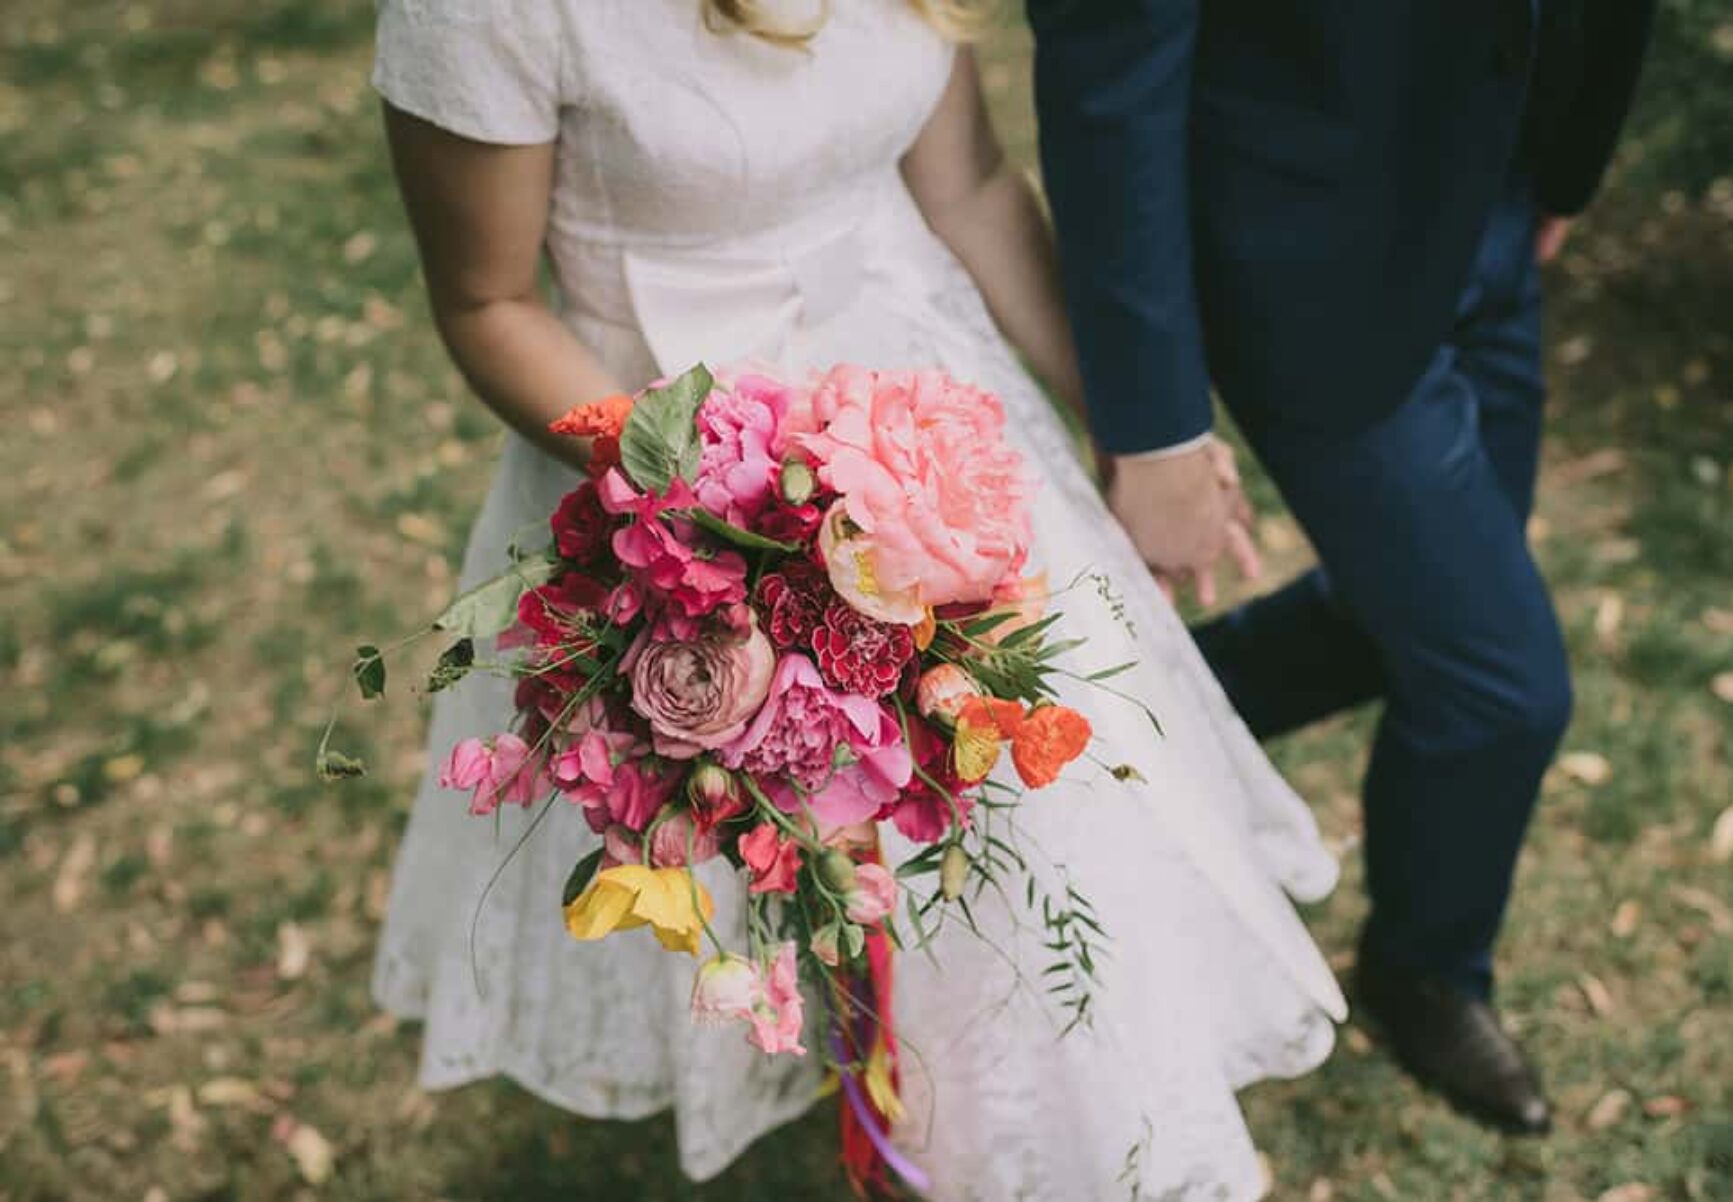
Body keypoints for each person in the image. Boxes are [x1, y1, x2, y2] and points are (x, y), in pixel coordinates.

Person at [368, 1, 1344, 1198]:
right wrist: (721, 513)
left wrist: (1129, 425)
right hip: (680, 470)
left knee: (1041, 811)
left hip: (929, 418)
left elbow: (974, 185)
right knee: (783, 850)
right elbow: (488, 304)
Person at [1028, 0, 1656, 1135]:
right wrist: (1154, 429)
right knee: (1503, 688)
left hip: (1497, 190)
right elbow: (1108, 80)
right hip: (1309, 245)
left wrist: (1562, 163)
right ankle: (1427, 969)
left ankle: (1092, 729)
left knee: (1409, 619)